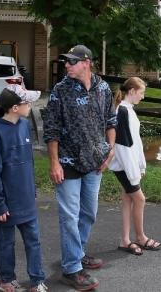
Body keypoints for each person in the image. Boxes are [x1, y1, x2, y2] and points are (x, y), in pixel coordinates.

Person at [43, 44, 116, 291]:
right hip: (68, 162)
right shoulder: (60, 90)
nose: (66, 65)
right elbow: (51, 128)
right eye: (66, 61)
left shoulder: (103, 88)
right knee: (69, 216)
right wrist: (54, 161)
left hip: (95, 162)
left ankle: (78, 252)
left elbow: (111, 120)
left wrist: (111, 149)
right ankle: (72, 269)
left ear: (86, 63)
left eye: (71, 61)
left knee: (89, 213)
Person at [0, 84, 48, 292]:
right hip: (7, 204)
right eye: (26, 102)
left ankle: (37, 281)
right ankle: (6, 280)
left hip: (26, 199)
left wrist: (32, 190)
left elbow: (27, 161)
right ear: (14, 108)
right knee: (6, 243)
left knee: (34, 241)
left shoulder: (24, 125)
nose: (30, 105)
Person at [110, 77, 161, 255]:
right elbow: (123, 146)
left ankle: (125, 241)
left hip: (129, 166)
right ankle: (141, 237)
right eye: (142, 93)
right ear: (131, 91)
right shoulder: (122, 111)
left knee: (127, 199)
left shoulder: (128, 110)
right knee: (140, 199)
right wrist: (134, 173)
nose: (143, 97)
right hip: (124, 166)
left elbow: (136, 142)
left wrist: (141, 166)